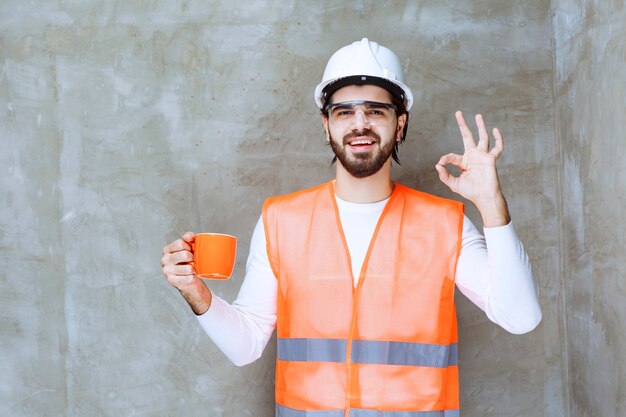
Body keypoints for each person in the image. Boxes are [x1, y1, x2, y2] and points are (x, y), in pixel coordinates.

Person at [161, 38, 542, 417]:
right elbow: (245, 347)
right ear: (326, 125)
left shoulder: (446, 224)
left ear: (400, 122)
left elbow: (521, 317)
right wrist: (196, 292)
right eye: (344, 112)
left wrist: (491, 203)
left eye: (376, 111)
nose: (360, 124)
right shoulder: (281, 220)